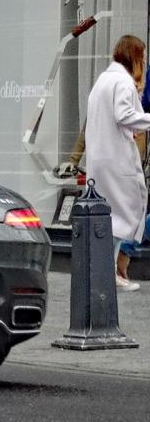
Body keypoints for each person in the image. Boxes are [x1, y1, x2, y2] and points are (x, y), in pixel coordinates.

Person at [84, 35, 150, 293]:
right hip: (116, 157)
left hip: (101, 157)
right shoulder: (122, 81)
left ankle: (108, 271)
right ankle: (110, 271)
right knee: (124, 213)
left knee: (109, 215)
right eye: (142, 58)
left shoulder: (104, 79)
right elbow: (124, 115)